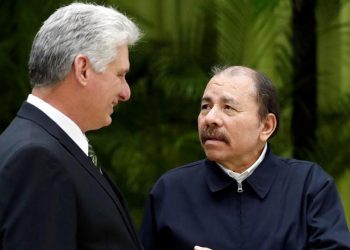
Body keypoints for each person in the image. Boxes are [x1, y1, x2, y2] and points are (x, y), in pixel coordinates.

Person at [139, 66, 350, 250]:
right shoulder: (170, 191)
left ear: (266, 126)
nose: (210, 118)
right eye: (205, 106)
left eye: (228, 107)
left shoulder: (309, 187)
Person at [0, 2, 143, 249]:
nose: (126, 92)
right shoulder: (38, 158)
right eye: (120, 75)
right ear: (83, 69)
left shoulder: (39, 143)